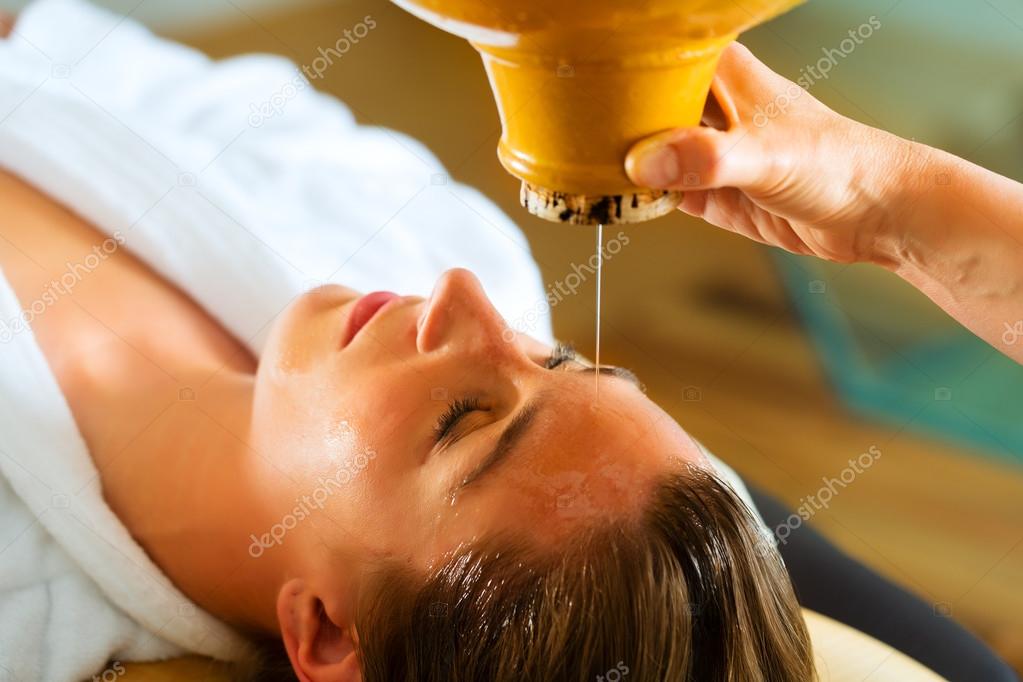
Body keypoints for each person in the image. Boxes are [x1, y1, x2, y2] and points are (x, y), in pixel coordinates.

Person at [0, 3, 1016, 682]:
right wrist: (892, 203)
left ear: (328, 630)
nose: (467, 298)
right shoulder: (414, 233)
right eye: (560, 361)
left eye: (459, 421)